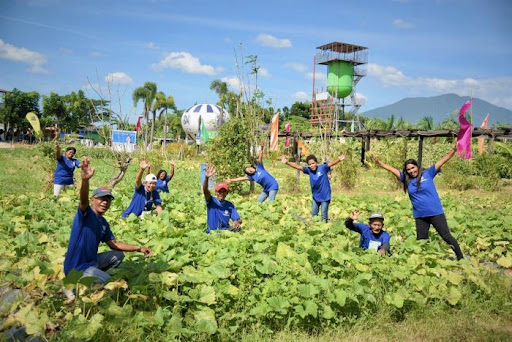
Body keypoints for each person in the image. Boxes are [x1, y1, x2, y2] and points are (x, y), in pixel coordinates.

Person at [63, 157, 152, 300]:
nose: (105, 202)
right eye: (101, 199)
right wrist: (85, 180)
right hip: (76, 267)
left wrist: (139, 248)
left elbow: (114, 245)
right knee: (107, 280)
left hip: (91, 262)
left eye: (108, 200)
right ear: (93, 200)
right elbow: (83, 200)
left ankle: (91, 277)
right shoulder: (85, 214)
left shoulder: (103, 223)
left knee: (119, 256)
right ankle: (72, 284)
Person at [372, 147, 464, 260]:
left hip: (435, 213)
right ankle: (423, 262)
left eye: (413, 167)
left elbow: (443, 160)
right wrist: (379, 162)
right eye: (409, 169)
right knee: (421, 241)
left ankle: (461, 258)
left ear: (417, 167)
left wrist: (454, 150)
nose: (411, 171)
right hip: (420, 216)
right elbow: (391, 169)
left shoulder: (428, 173)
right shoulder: (406, 180)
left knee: (446, 236)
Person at [281, 153, 345, 222]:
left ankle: (325, 228)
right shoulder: (309, 170)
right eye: (310, 164)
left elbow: (331, 164)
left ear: (316, 162)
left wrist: (339, 159)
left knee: (323, 217)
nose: (312, 166)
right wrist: (287, 162)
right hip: (316, 196)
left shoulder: (322, 168)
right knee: (314, 216)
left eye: (313, 163)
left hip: (325, 196)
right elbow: (298, 167)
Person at [203, 164, 242, 233]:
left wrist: (236, 222)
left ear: (227, 193)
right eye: (219, 191)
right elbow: (205, 190)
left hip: (225, 232)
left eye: (224, 192)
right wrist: (206, 178)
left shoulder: (230, 205)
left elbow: (238, 219)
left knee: (238, 229)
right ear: (216, 192)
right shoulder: (211, 201)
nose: (221, 194)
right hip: (213, 232)